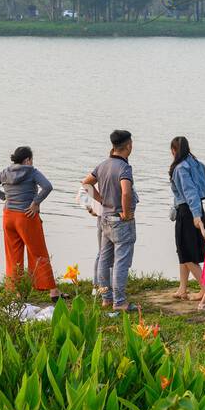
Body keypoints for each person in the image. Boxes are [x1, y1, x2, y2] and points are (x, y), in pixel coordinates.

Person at [0, 146, 64, 300]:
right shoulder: (32, 171)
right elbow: (47, 187)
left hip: (8, 217)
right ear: (27, 160)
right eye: (32, 160)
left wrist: (4, 198)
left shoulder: (5, 172)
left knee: (13, 255)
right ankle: (53, 291)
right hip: (26, 216)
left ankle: (15, 291)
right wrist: (35, 203)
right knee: (39, 253)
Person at [82, 129, 139, 314]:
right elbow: (125, 191)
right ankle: (119, 301)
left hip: (105, 218)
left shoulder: (103, 165)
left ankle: (106, 298)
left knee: (104, 259)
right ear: (128, 146)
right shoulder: (124, 168)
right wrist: (126, 211)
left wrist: (100, 199)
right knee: (121, 261)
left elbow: (86, 183)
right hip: (119, 220)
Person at [169, 136, 205, 300]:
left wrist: (196, 216)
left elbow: (190, 193)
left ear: (174, 151)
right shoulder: (198, 165)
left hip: (188, 212)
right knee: (183, 250)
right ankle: (182, 288)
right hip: (198, 209)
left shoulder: (180, 168)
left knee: (186, 253)